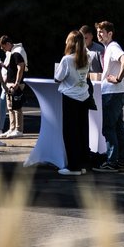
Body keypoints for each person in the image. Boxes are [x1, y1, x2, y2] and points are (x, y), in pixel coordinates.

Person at [93, 21, 124, 172]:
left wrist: (118, 78)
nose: (99, 35)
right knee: (118, 127)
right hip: (116, 93)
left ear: (110, 33)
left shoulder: (113, 47)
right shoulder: (109, 47)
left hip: (111, 93)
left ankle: (111, 162)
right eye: (98, 32)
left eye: (102, 32)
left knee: (109, 128)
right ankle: (121, 161)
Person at [53, 31, 92, 176]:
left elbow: (58, 77)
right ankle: (82, 164)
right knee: (82, 131)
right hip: (84, 96)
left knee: (70, 133)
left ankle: (73, 167)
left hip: (70, 97)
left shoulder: (67, 59)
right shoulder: (87, 57)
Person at [0, 35, 26, 138]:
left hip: (15, 83)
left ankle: (18, 129)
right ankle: (12, 128)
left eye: (4, 47)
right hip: (10, 83)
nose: (4, 50)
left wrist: (17, 83)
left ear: (8, 44)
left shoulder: (17, 52)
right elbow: (12, 67)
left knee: (16, 106)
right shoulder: (12, 52)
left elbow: (20, 67)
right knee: (10, 107)